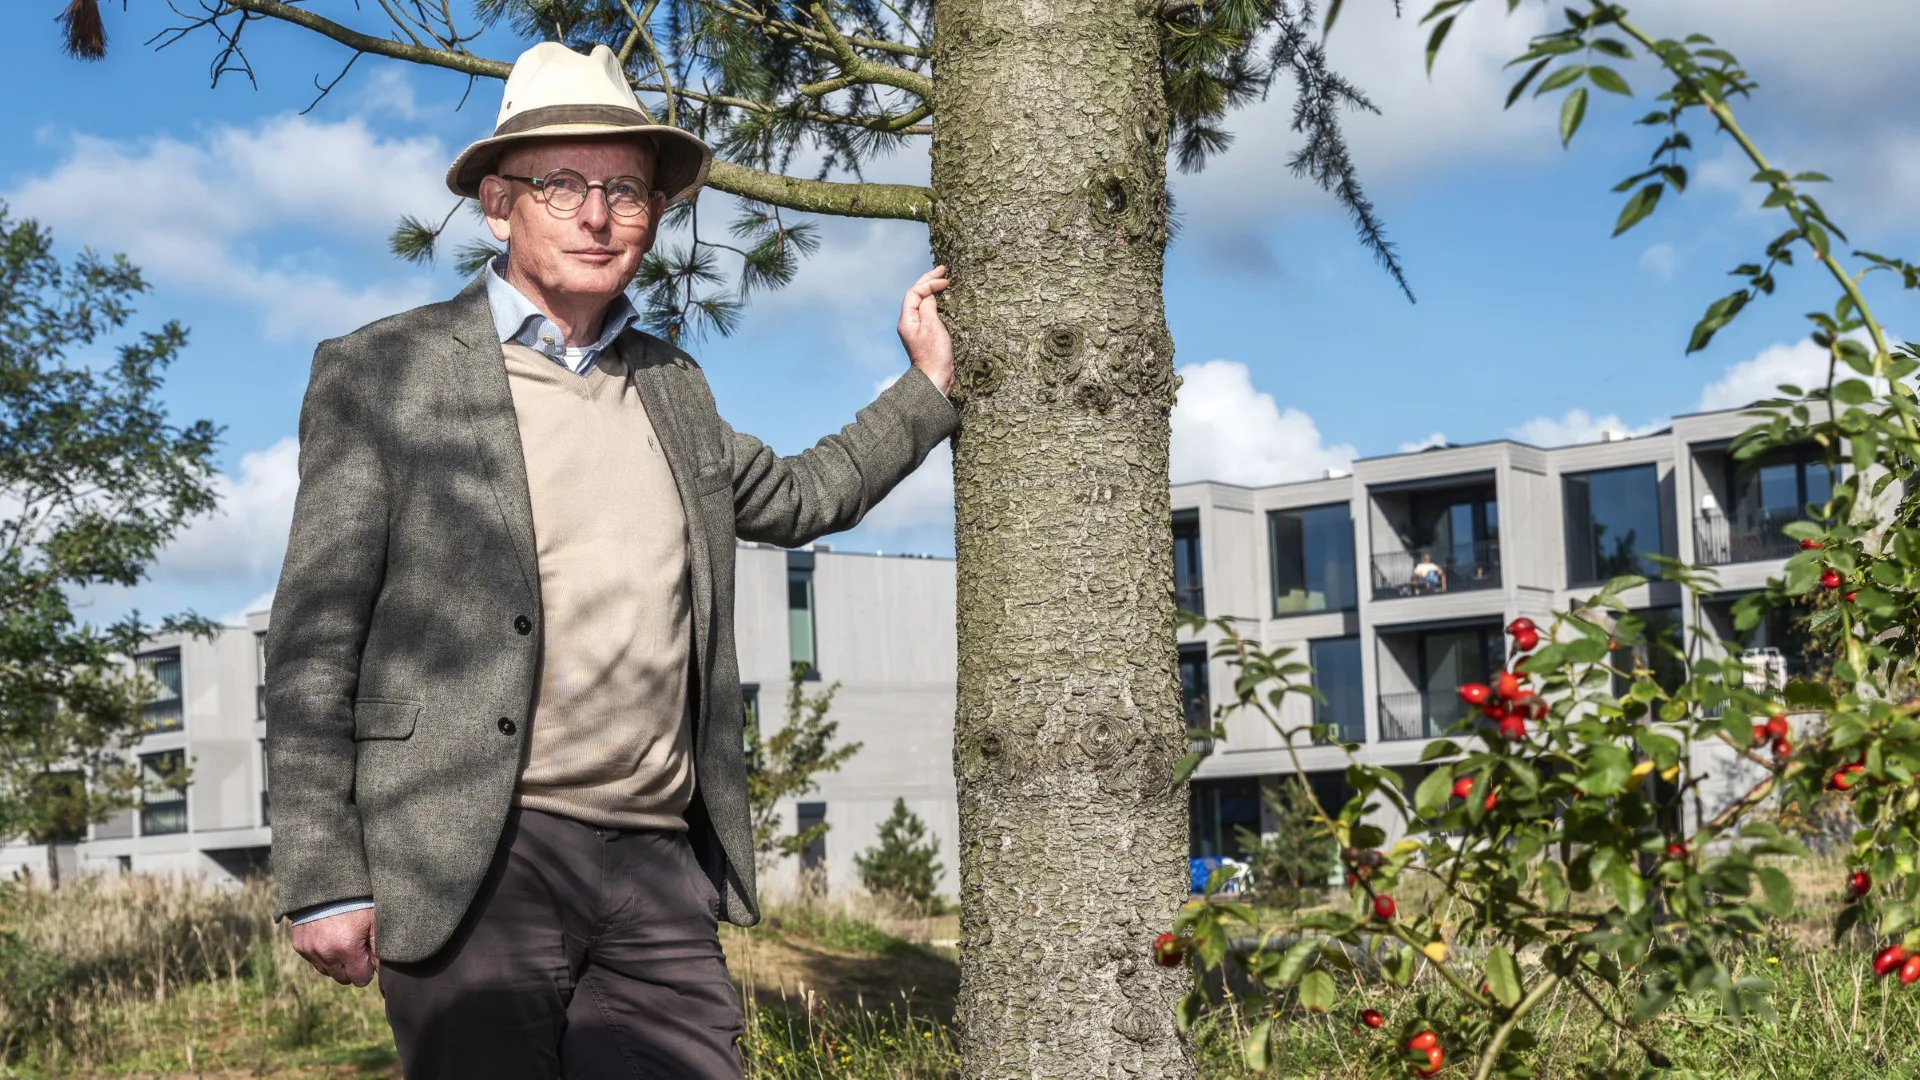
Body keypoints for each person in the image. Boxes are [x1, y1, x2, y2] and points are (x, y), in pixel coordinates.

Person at [263, 41, 958, 1080]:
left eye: (625, 192)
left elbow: (806, 495)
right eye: (564, 185)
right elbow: (317, 638)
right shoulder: (383, 374)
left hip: (657, 864)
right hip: (473, 854)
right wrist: (322, 875)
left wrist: (928, 389)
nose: (597, 215)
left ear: (653, 218)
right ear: (501, 206)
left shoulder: (672, 385)